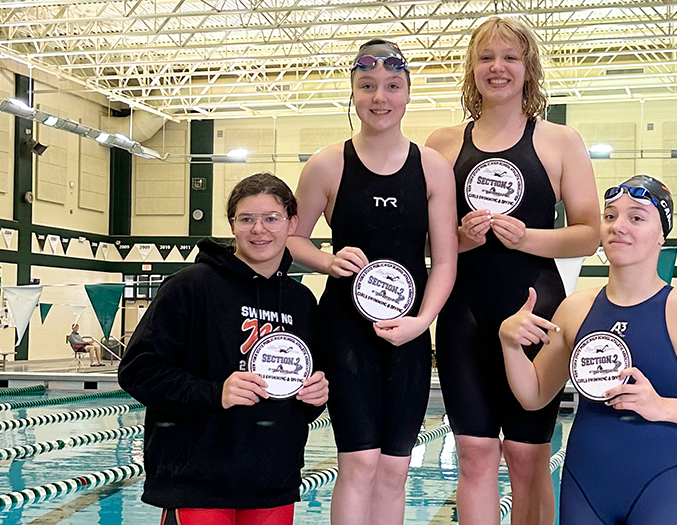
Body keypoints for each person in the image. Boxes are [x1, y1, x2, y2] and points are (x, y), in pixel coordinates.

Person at [499, 175, 677, 524]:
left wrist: (661, 407)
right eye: (610, 216)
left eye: (636, 217)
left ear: (661, 235)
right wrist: (510, 344)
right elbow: (534, 395)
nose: (618, 226)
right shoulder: (576, 308)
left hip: (661, 486)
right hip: (583, 485)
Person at [425, 16, 600, 524]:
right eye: (486, 57)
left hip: (535, 311)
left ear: (528, 69)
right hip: (462, 313)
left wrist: (528, 237)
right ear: (471, 69)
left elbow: (590, 233)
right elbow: (423, 238)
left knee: (528, 457)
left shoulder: (560, 141)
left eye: (509, 57)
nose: (497, 67)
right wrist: (457, 238)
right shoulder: (441, 143)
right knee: (475, 454)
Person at [286, 39, 457, 525]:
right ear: (354, 94)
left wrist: (421, 322)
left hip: (407, 334)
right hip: (345, 330)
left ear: (407, 94)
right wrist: (326, 260)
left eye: (391, 86)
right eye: (367, 87)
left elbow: (445, 261)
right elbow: (293, 241)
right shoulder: (327, 164)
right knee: (358, 462)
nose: (379, 97)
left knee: (395, 469)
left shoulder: (432, 167)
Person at [119, 173, 329, 525]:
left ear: (292, 223)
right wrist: (216, 393)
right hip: (197, 479)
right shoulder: (189, 287)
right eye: (247, 219)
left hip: (273, 479)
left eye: (271, 218)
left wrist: (316, 395)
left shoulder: (301, 301)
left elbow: (304, 389)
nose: (259, 230)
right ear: (232, 224)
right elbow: (138, 371)